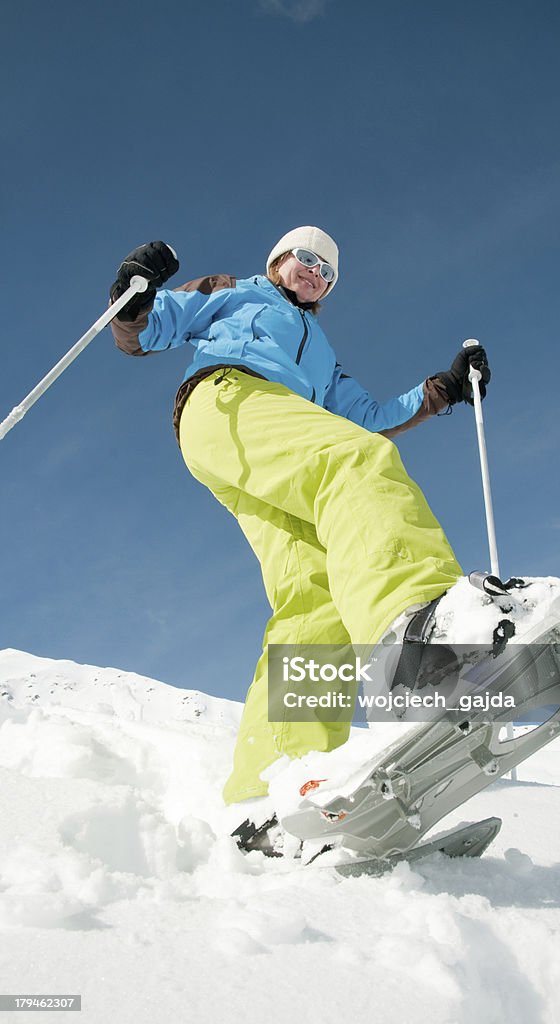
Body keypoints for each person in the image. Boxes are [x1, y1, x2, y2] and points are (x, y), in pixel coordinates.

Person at [110, 227, 491, 853]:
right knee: (357, 463)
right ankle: (422, 630)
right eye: (307, 260)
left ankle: (276, 796)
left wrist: (444, 389)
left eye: (328, 273)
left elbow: (368, 416)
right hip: (228, 402)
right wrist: (137, 294)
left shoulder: (323, 355)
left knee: (314, 605)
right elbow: (154, 326)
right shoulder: (237, 293)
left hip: (271, 434)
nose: (316, 274)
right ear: (279, 262)